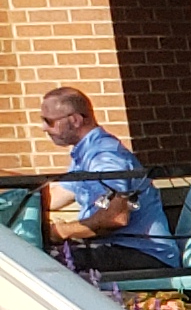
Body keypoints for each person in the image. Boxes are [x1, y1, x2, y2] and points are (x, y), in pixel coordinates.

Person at [37, 88, 183, 284]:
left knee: (41, 264)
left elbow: (115, 217)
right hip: (121, 249)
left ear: (75, 120)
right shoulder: (86, 153)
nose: (43, 128)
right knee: (39, 256)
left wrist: (60, 232)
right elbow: (53, 196)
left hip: (143, 254)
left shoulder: (105, 156)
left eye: (48, 121)